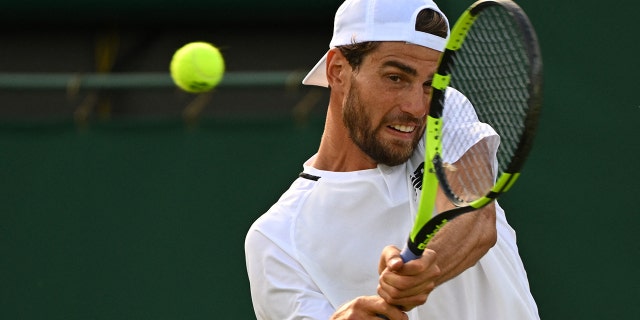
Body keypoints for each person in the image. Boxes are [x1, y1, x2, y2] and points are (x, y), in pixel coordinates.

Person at [245, 0, 540, 319]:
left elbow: (474, 217)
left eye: (430, 84)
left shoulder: (441, 114)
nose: (416, 107)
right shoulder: (274, 240)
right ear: (338, 71)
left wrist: (426, 266)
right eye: (396, 78)